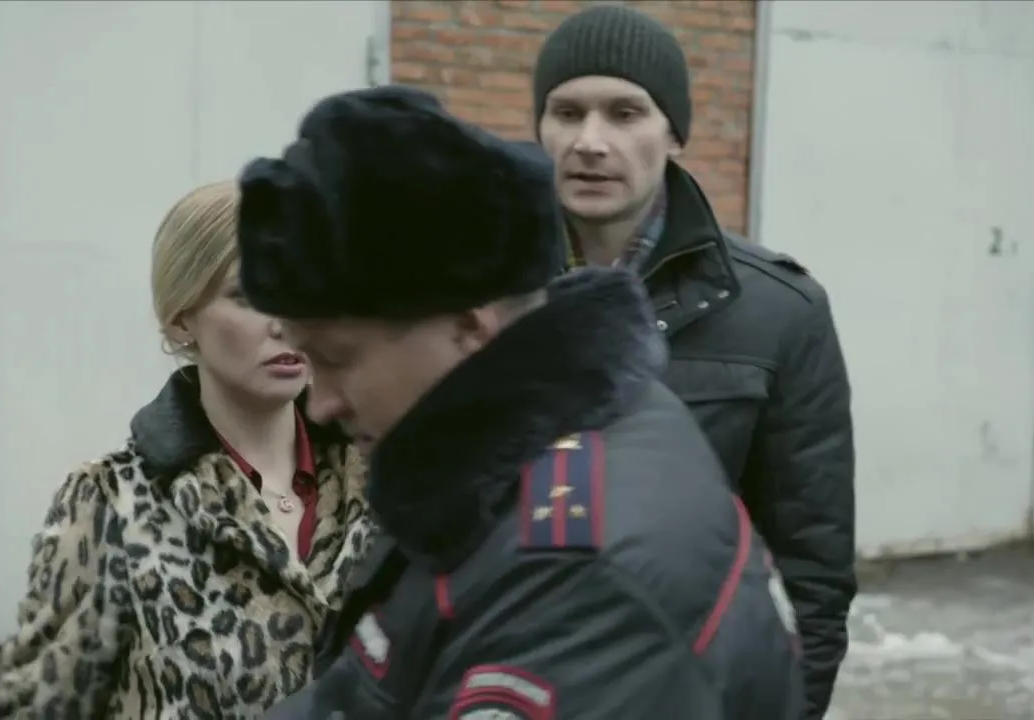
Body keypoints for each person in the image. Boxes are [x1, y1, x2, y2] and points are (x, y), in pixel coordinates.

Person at [233, 85, 801, 719]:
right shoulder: (497, 459)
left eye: (338, 359)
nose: (321, 405)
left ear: (470, 326)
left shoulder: (574, 578)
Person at [530, 6, 857, 717]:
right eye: (567, 112)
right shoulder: (480, 297)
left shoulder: (780, 312)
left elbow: (813, 571)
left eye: (625, 113)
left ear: (674, 132)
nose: (590, 142)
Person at [0, 181, 375, 718]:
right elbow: (42, 708)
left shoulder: (384, 483)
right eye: (249, 296)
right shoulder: (110, 504)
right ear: (180, 321)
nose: (285, 322)